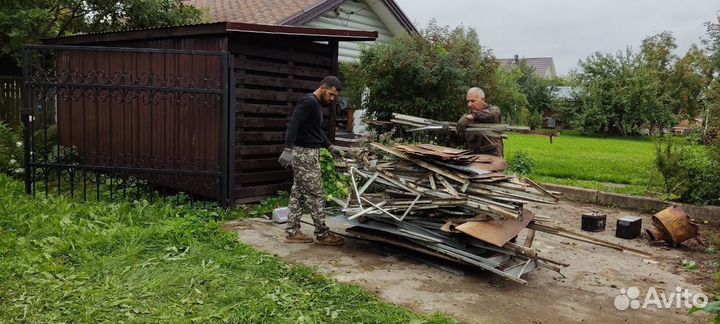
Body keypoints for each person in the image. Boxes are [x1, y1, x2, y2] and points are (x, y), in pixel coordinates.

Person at [277, 76, 345, 246]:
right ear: (322, 88)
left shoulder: (315, 105)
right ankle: (322, 234)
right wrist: (287, 148)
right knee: (316, 194)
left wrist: (329, 146)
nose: (331, 99)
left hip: (308, 153)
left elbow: (315, 130)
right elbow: (293, 123)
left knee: (298, 195)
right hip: (305, 154)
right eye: (330, 94)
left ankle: (292, 232)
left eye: (334, 96)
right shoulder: (308, 102)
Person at [455, 87, 504, 157]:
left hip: (492, 159)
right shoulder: (465, 118)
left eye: (473, 101)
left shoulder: (493, 110)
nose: (469, 104)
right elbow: (459, 141)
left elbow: (494, 114)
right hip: (471, 159)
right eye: (468, 101)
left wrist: (473, 116)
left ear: (483, 99)